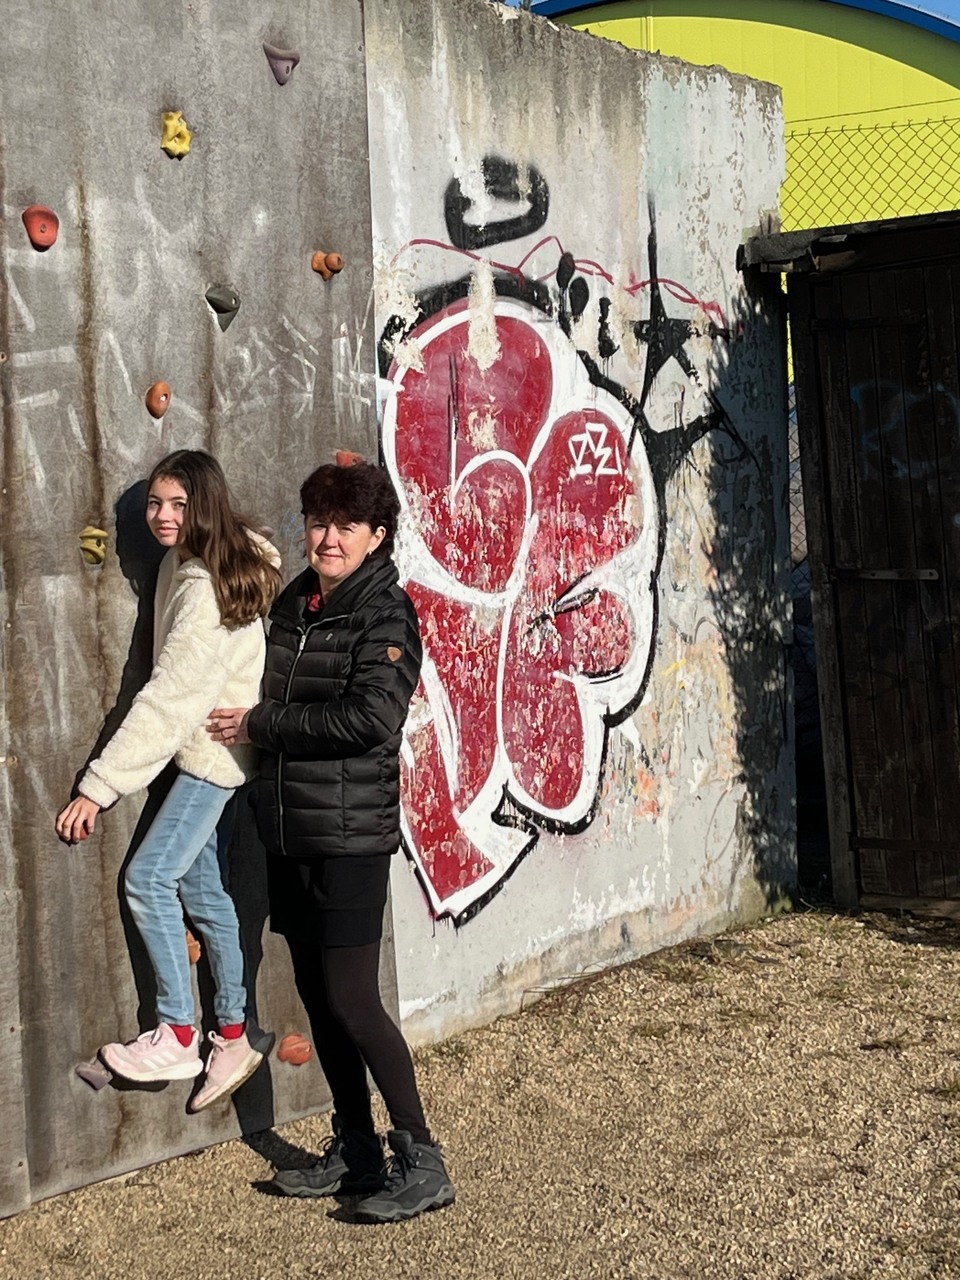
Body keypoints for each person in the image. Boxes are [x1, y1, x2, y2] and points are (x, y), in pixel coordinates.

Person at [208, 458, 455, 1223]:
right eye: (319, 522)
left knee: (352, 996)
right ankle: (356, 1150)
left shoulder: (387, 615)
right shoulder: (297, 602)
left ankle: (422, 1157)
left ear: (377, 536)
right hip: (291, 830)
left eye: (347, 525)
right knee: (318, 994)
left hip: (351, 836)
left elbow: (370, 719)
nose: (329, 538)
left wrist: (261, 725)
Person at [56, 450, 282, 1112]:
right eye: (155, 502)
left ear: (204, 506)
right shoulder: (190, 562)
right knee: (202, 890)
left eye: (178, 504)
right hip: (209, 754)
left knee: (148, 878)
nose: (161, 515)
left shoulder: (203, 586)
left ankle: (180, 1032)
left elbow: (170, 698)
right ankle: (233, 1035)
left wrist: (99, 786)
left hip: (210, 758)